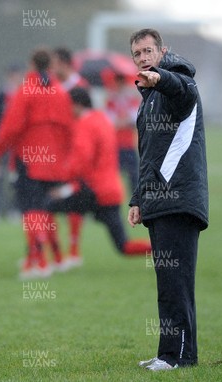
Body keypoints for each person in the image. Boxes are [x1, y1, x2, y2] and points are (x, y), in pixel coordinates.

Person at [126, 29, 208, 371]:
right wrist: (137, 198)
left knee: (177, 283)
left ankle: (181, 357)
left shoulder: (177, 82)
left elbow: (183, 90)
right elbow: (150, 155)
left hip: (179, 197)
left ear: (163, 51)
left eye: (148, 51)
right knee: (167, 283)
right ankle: (167, 353)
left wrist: (160, 78)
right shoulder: (150, 98)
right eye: (137, 53)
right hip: (158, 199)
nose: (143, 57)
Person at [0, 48, 74, 279]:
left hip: (29, 160)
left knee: (31, 210)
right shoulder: (60, 91)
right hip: (55, 163)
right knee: (44, 210)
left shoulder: (26, 90)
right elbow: (70, 130)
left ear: (31, 64)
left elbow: (10, 127)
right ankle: (55, 258)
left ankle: (39, 262)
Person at [49, 87, 151, 262]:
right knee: (124, 246)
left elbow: (81, 160)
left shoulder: (85, 123)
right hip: (111, 191)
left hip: (95, 192)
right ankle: (164, 247)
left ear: (77, 105)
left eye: (68, 106)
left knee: (44, 205)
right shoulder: (103, 119)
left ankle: (54, 259)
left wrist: (62, 178)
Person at [51, 46, 88, 266]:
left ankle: (73, 251)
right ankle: (54, 254)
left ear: (64, 63)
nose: (51, 68)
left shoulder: (80, 86)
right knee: (50, 199)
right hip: (54, 151)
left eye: (54, 63)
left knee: (73, 198)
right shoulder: (53, 86)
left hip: (73, 150)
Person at [0, 64, 23, 224]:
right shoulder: (1, 95)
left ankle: (14, 209)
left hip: (18, 146)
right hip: (3, 144)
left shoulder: (23, 94)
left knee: (16, 178)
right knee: (0, 178)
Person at [105, 73, 140, 193]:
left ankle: (135, 197)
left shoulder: (131, 100)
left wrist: (121, 121)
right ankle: (116, 192)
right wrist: (123, 121)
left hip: (129, 143)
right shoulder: (111, 100)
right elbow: (109, 121)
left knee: (133, 174)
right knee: (115, 173)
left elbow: (136, 118)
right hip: (115, 144)